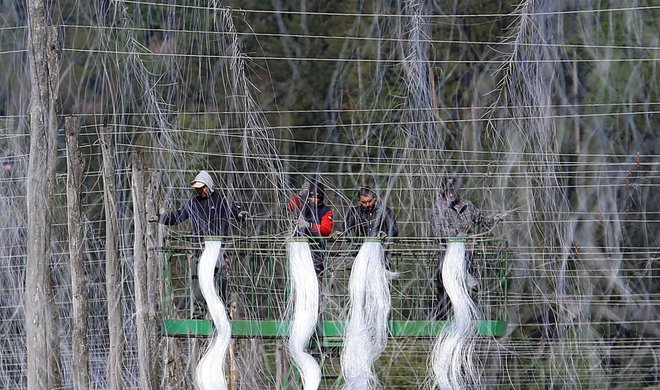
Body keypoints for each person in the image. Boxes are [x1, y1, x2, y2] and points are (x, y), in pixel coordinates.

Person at [157, 170, 249, 316]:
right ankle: (198, 317)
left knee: (221, 287)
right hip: (199, 252)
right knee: (198, 288)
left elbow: (237, 211)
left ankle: (222, 317)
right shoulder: (192, 204)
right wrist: (159, 218)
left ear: (209, 186)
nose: (199, 191)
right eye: (197, 188)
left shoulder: (222, 201)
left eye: (202, 187)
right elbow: (177, 217)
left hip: (220, 252)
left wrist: (241, 214)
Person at [430, 177, 501, 320]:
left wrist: (494, 218)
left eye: (453, 191)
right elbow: (439, 231)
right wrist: (459, 237)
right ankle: (445, 321)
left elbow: (482, 220)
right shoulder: (437, 209)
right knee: (446, 289)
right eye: (448, 192)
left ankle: (470, 320)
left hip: (467, 258)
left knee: (471, 287)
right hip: (447, 259)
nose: (451, 194)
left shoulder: (467, 206)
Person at [333, 186, 398, 269]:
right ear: (359, 200)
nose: (367, 205)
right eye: (364, 202)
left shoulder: (385, 211)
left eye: (369, 201)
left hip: (381, 253)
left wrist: (385, 234)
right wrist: (340, 233)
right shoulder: (355, 212)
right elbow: (346, 227)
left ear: (375, 198)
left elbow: (394, 230)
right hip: (361, 252)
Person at [287, 179, 333, 281]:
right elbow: (289, 207)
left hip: (316, 248)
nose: (315, 200)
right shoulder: (302, 205)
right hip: (300, 246)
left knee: (316, 277)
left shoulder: (326, 211)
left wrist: (309, 225)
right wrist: (300, 195)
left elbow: (326, 230)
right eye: (313, 197)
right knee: (298, 277)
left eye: (318, 198)